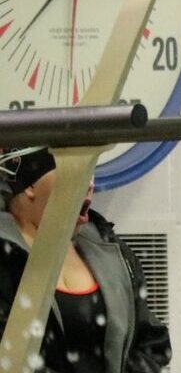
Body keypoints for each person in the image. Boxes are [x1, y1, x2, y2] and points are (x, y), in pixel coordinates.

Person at [0, 148, 172, 373]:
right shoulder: (5, 258)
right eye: (77, 171)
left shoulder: (109, 249)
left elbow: (151, 343)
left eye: (90, 170)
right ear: (31, 185)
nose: (90, 183)